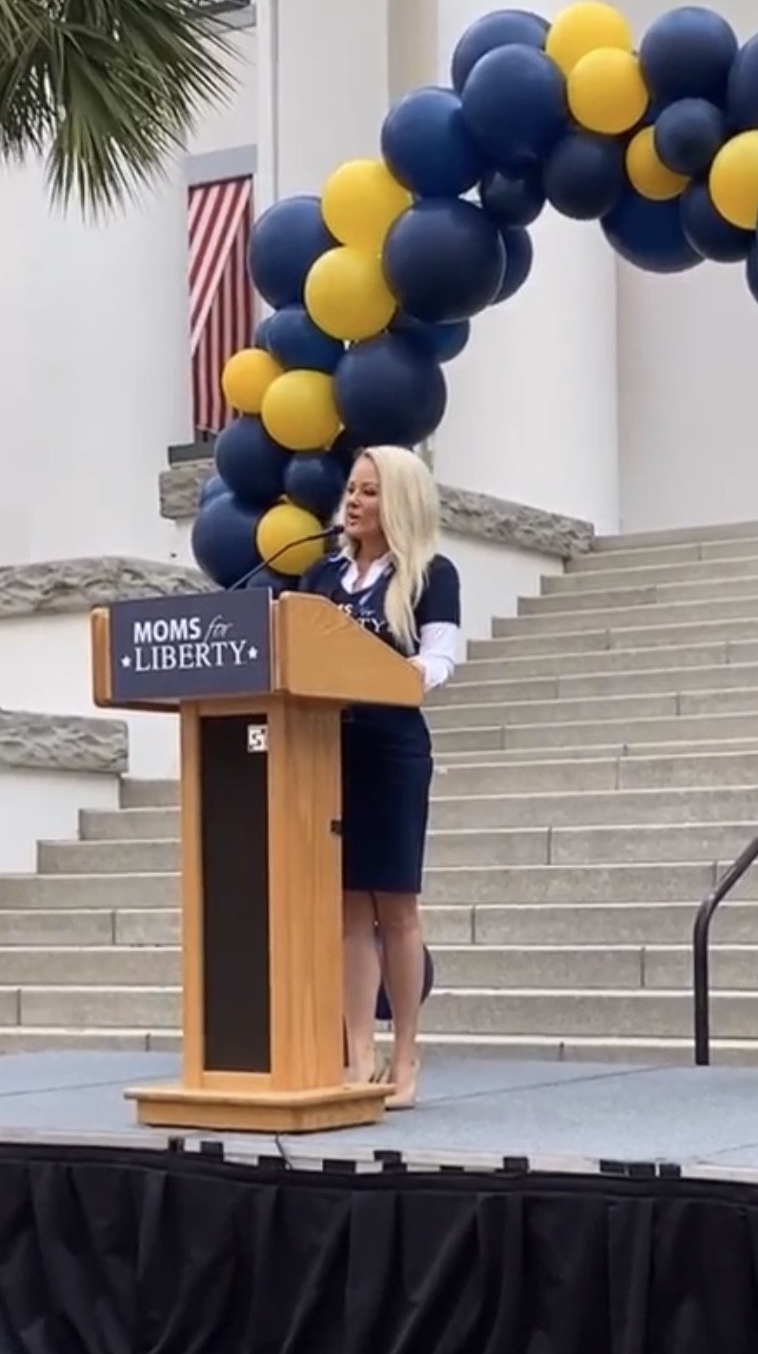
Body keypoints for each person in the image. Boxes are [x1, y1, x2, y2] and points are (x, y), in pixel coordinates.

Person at [298, 445, 461, 1110]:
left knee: (394, 905)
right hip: (326, 748)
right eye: (351, 490)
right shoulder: (319, 576)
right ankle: (358, 1053)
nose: (354, 502)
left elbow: (439, 658)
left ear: (398, 501)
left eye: (369, 491)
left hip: (392, 750)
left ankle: (406, 1054)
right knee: (346, 906)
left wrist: (396, 673)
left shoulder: (431, 574)